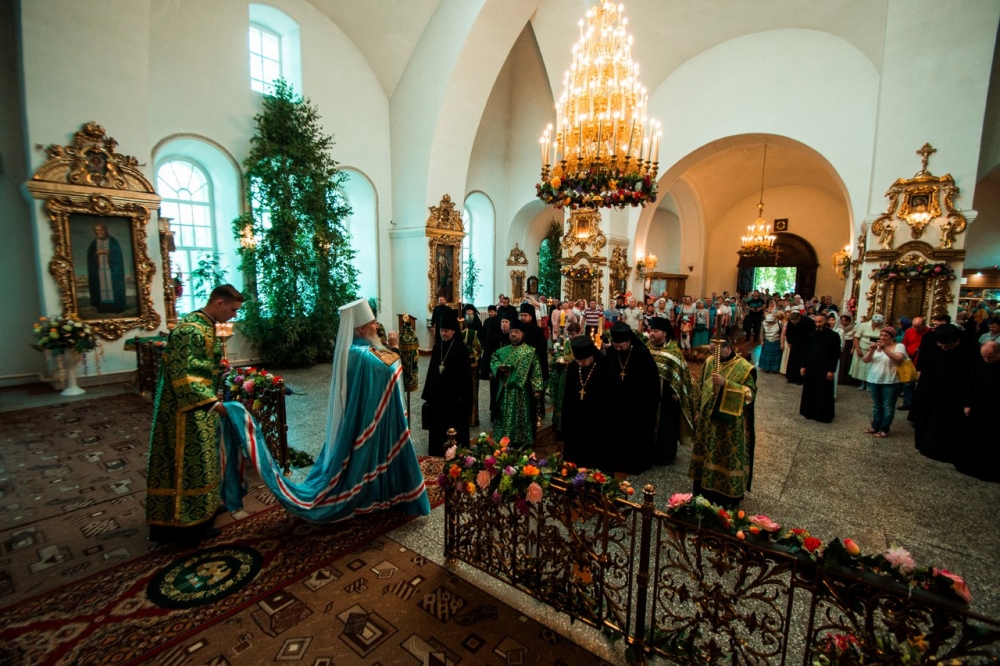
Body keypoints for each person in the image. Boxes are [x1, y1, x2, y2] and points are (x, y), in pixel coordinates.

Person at [220, 297, 431, 524]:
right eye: (372, 323)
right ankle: (371, 495)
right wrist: (395, 347)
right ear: (361, 329)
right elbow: (389, 367)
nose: (376, 326)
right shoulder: (359, 353)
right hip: (366, 420)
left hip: (368, 415)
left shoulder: (357, 350)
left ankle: (385, 495)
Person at [146, 285, 244, 544]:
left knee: (204, 461)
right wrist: (215, 404)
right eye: (233, 309)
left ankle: (203, 510)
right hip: (185, 413)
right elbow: (186, 378)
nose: (234, 315)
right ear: (219, 303)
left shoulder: (204, 325)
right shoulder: (191, 331)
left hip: (199, 409)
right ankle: (187, 526)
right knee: (188, 464)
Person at [689, 339, 757, 507]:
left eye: (716, 351)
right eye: (712, 351)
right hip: (707, 421)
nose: (713, 355)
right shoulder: (710, 362)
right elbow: (700, 386)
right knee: (707, 452)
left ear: (728, 348)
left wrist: (726, 383)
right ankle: (703, 490)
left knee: (724, 455)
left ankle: (726, 497)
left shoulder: (744, 368)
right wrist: (697, 411)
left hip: (728, 424)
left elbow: (750, 394)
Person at [911, 324, 974, 461]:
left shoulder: (968, 351)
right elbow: (927, 368)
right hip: (931, 392)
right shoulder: (935, 348)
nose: (944, 348)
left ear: (957, 341)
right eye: (941, 345)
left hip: (953, 396)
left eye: (947, 346)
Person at [606, 322, 660, 476]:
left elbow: (652, 380)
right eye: (615, 344)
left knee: (635, 435)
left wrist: (650, 404)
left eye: (621, 345)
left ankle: (636, 463)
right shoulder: (611, 352)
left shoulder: (642, 353)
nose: (618, 348)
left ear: (628, 340)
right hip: (616, 402)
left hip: (638, 404)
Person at [560, 335, 615, 470]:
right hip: (575, 420)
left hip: (596, 421)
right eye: (578, 360)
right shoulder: (574, 367)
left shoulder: (605, 369)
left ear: (591, 355)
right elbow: (567, 395)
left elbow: (611, 400)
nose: (581, 363)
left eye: (583, 360)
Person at [647, 318, 697, 465]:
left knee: (665, 425)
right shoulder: (646, 348)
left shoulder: (674, 351)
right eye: (651, 330)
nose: (652, 334)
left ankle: (665, 455)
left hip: (667, 396)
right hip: (648, 395)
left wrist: (677, 392)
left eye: (656, 331)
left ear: (665, 333)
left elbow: (682, 375)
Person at [421, 310, 472, 456]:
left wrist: (465, 399)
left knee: (455, 429)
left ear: (454, 331)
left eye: (446, 331)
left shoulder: (461, 349)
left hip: (454, 399)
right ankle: (437, 453)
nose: (443, 334)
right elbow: (431, 371)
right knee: (437, 429)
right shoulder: (437, 347)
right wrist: (428, 394)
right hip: (437, 399)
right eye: (441, 330)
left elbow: (466, 377)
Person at [491, 319, 543, 447]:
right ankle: (502, 439)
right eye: (511, 332)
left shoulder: (530, 351)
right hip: (504, 391)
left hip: (522, 392)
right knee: (503, 415)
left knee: (520, 416)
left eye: (516, 332)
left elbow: (536, 370)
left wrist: (537, 388)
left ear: (522, 334)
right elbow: (493, 360)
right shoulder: (502, 351)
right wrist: (498, 367)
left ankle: (520, 440)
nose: (513, 334)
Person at [956, 341, 1000, 481]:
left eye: (990, 357)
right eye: (984, 357)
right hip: (977, 405)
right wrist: (967, 404)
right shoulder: (978, 365)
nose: (987, 360)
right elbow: (970, 384)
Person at [861, 326, 906, 438]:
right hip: (875, 379)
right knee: (876, 405)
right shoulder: (877, 347)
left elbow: (898, 359)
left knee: (888, 406)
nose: (882, 337)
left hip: (891, 381)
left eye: (886, 336)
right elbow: (865, 360)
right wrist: (871, 350)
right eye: (881, 335)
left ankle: (884, 429)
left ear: (892, 337)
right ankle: (875, 426)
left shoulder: (899, 346)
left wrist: (885, 349)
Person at [798, 313, 841, 423]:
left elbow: (835, 355)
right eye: (816, 322)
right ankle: (809, 412)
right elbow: (806, 351)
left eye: (820, 321)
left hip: (825, 368)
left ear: (826, 321)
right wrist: (803, 366)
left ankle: (822, 414)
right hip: (811, 367)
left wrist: (831, 370)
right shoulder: (812, 335)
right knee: (810, 389)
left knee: (823, 391)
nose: (817, 324)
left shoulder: (834, 336)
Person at [87, 223, 127, 314]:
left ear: (105, 231)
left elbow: (117, 256)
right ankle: (102, 308)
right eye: (97, 231)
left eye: (101, 230)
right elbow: (91, 257)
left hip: (111, 270)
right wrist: (96, 255)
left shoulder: (113, 241)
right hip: (99, 270)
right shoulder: (94, 243)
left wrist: (106, 252)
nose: (99, 232)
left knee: (113, 287)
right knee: (101, 287)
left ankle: (116, 307)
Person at [899, 316, 929, 410]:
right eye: (914, 326)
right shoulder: (909, 331)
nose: (916, 329)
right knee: (908, 383)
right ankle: (907, 403)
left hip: (922, 361)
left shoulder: (930, 332)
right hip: (910, 360)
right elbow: (904, 344)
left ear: (924, 325)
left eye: (918, 327)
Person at [850, 314, 885, 389]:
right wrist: (857, 349)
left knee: (871, 367)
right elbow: (856, 337)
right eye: (875, 322)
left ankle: (869, 383)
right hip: (862, 348)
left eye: (879, 323)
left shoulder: (882, 328)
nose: (877, 324)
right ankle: (862, 383)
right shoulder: (864, 325)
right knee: (862, 366)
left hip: (874, 349)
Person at [783, 310, 814, 385]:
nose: (794, 323)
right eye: (792, 322)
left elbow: (812, 334)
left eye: (795, 322)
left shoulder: (808, 322)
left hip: (804, 344)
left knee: (801, 361)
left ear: (799, 318)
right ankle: (791, 377)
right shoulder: (790, 322)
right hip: (794, 344)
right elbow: (788, 332)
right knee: (793, 360)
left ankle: (800, 379)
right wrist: (789, 342)